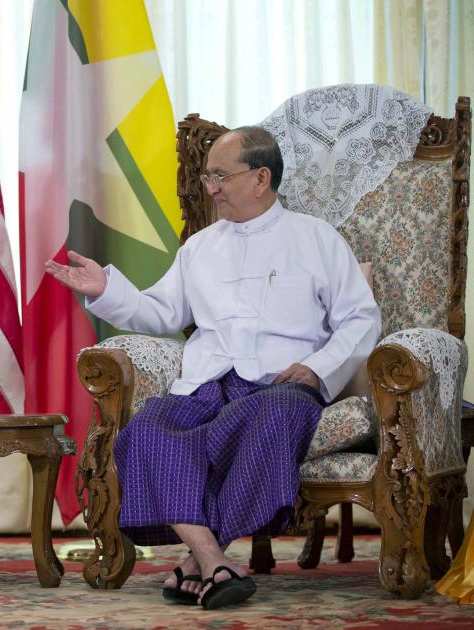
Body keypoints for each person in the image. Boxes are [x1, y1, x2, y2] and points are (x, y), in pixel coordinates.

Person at [46, 126, 380, 609]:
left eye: (221, 176)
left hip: (279, 386)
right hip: (203, 387)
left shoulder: (317, 239)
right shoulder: (200, 247)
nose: (212, 188)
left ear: (261, 177)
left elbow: (361, 318)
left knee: (271, 419)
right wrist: (104, 290)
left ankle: (195, 561)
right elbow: (160, 313)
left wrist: (317, 368)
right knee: (144, 431)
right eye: (207, 177)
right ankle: (213, 561)